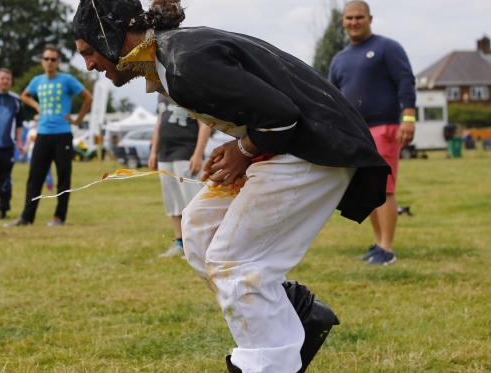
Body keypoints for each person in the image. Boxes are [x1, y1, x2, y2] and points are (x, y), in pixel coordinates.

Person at [72, 1, 390, 372]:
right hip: (291, 146)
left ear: (113, 35)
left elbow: (283, 117)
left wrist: (242, 149)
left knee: (233, 263)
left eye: (90, 52)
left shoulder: (183, 63)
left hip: (317, 149)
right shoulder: (170, 59)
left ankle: (267, 363)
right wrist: (243, 150)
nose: (89, 64)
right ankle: (296, 313)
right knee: (199, 229)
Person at [329, 0, 416, 265]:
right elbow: (332, 97)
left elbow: (405, 81)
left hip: (385, 127)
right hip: (356, 133)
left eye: (359, 17)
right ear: (343, 22)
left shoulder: (387, 48)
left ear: (370, 18)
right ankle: (378, 244)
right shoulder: (339, 59)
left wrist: (408, 118)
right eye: (349, 18)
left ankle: (387, 249)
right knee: (367, 190)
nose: (354, 22)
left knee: (384, 188)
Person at [7, 44, 92, 227]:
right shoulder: (37, 81)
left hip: (63, 134)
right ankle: (26, 217)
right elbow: (24, 95)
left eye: (53, 59)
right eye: (46, 59)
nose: (50, 62)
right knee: (34, 177)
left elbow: (88, 98)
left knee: (63, 177)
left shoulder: (67, 80)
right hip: (42, 135)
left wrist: (77, 120)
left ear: (58, 62)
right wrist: (36, 106)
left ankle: (59, 217)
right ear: (42, 61)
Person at [148, 93, 211, 257]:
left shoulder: (187, 87)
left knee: (192, 202)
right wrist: (154, 152)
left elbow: (205, 124)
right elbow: (159, 123)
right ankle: (180, 243)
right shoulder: (160, 93)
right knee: (172, 201)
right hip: (165, 154)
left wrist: (198, 154)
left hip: (186, 152)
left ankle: (200, 246)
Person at [0, 68, 24, 219]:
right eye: (2, 78)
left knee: (5, 181)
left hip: (7, 146)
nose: (5, 81)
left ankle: (3, 210)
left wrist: (19, 142)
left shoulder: (16, 100)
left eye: (8, 79)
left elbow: (19, 124)